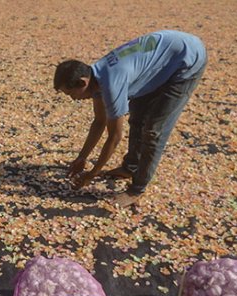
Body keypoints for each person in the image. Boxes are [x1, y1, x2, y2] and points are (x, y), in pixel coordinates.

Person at [54, 30, 207, 207]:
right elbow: (99, 122)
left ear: (82, 82)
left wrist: (92, 174)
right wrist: (82, 158)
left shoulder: (111, 84)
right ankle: (130, 167)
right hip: (163, 56)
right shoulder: (95, 76)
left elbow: (114, 137)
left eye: (71, 93)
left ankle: (137, 189)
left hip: (187, 60)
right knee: (137, 118)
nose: (73, 99)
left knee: (153, 130)